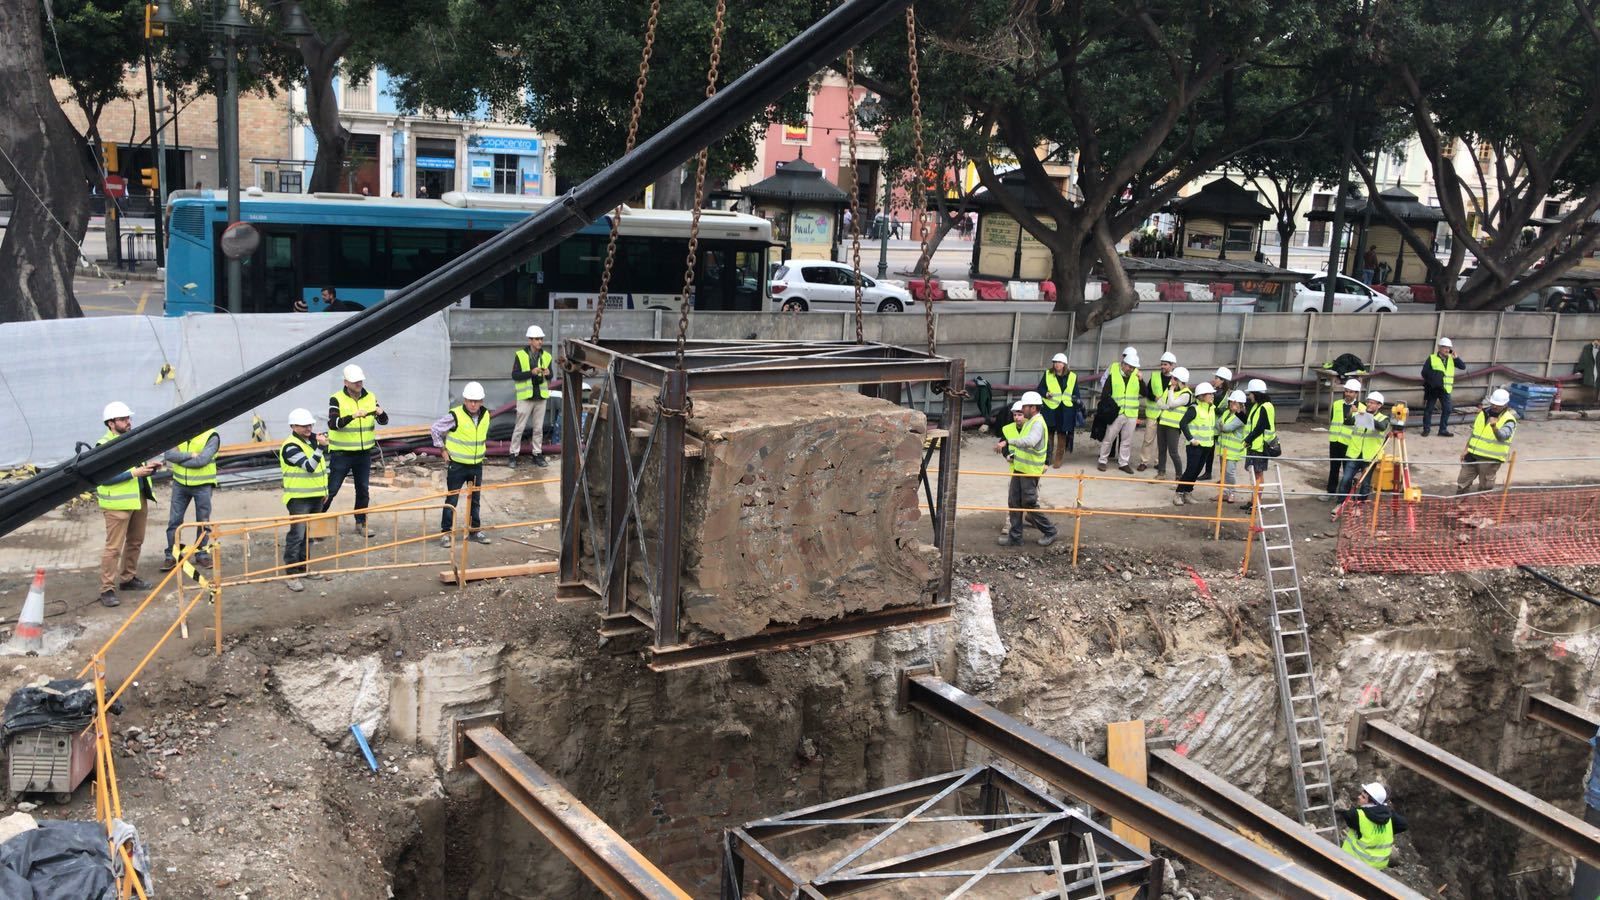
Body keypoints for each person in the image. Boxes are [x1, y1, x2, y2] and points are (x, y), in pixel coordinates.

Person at [94, 402, 159, 608]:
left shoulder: (131, 439)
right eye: (123, 419)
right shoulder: (104, 445)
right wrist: (134, 473)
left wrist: (148, 469)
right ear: (111, 423)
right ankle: (107, 589)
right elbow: (103, 477)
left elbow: (136, 468)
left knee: (135, 541)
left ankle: (128, 579)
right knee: (113, 549)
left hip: (138, 498)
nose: (129, 422)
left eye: (129, 418)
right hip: (117, 505)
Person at [323, 364, 387, 536]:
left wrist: (381, 413)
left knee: (363, 490)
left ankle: (361, 523)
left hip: (363, 454)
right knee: (332, 489)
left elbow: (384, 420)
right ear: (346, 382)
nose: (358, 384)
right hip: (341, 454)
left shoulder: (370, 397)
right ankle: (314, 524)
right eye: (354, 381)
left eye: (360, 380)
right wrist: (352, 416)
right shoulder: (336, 399)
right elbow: (333, 424)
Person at [432, 382, 494, 546]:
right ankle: (446, 533)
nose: (473, 404)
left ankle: (474, 530)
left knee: (475, 499)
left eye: (477, 401)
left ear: (481, 401)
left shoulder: (486, 415)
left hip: (476, 465)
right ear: (465, 400)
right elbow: (435, 429)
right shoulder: (455, 415)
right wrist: (443, 450)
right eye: (470, 400)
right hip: (457, 466)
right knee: (452, 499)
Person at [996, 394, 1057, 547]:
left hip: (1030, 471)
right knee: (1014, 501)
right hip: (1020, 468)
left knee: (1029, 503)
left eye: (1024, 407)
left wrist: (1008, 442)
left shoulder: (1037, 423)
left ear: (1033, 408)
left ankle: (1050, 531)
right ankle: (1015, 537)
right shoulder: (1030, 422)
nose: (1022, 410)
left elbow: (1030, 442)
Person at [278, 408, 328, 594]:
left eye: (310, 424)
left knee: (309, 535)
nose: (308, 428)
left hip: (315, 497)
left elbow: (322, 469)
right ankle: (291, 574)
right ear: (293, 426)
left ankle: (303, 568)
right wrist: (320, 447)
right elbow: (309, 467)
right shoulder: (291, 446)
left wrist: (324, 491)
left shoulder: (311, 440)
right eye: (303, 425)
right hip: (299, 499)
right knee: (297, 536)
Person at [161, 427, 219, 572]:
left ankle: (202, 554)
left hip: (203, 485)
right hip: (180, 484)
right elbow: (168, 454)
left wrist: (179, 458)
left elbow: (202, 461)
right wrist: (190, 455)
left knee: (203, 522)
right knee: (174, 521)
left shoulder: (211, 436)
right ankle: (172, 555)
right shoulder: (177, 433)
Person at [1457, 388, 1518, 494]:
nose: (1495, 406)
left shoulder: (1509, 420)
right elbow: (1475, 433)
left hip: (1490, 459)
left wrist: (1494, 426)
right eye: (1493, 403)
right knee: (1462, 482)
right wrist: (1466, 448)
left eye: (1498, 405)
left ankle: (1483, 510)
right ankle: (1459, 506)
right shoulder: (1483, 413)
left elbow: (1503, 436)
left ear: (1505, 404)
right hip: (1472, 455)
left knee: (1484, 489)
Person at [1335, 392, 1391, 504]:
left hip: (1370, 456)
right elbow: (1348, 422)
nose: (1369, 405)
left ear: (1379, 405)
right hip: (1354, 453)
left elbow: (1381, 427)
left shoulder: (1383, 418)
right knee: (1346, 479)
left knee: (1365, 483)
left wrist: (1367, 417)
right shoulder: (1360, 414)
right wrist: (1350, 414)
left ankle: (1360, 504)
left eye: (1372, 403)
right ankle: (1341, 502)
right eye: (1368, 402)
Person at [509, 325, 553, 468]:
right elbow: (515, 375)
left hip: (540, 398)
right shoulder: (520, 355)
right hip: (525, 398)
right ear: (530, 340)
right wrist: (531, 372)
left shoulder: (546, 356)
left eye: (541, 339)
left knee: (538, 428)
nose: (540, 342)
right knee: (519, 428)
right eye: (537, 339)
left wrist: (548, 373)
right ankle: (513, 455)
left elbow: (551, 375)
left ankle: (537, 454)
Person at [1339, 782, 1407, 870]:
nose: (1359, 797)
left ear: (1372, 802)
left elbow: (1346, 813)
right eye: (1361, 795)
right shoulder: (1389, 817)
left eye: (1363, 797)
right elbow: (1404, 824)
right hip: (1378, 866)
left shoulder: (1357, 815)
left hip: (1356, 863)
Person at [1096, 348, 1142, 474]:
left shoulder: (1136, 376)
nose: (1131, 370)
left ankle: (1123, 463)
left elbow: (1145, 392)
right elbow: (1105, 394)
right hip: (1117, 413)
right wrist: (1111, 409)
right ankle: (1103, 460)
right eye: (1130, 367)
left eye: (1133, 367)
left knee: (1126, 441)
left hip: (1131, 414)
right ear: (1124, 364)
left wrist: (1141, 380)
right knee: (1109, 437)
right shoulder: (1113, 374)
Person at [1175, 382, 1216, 505]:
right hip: (1195, 446)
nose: (1213, 396)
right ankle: (1179, 493)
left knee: (1197, 470)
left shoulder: (1212, 408)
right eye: (1210, 394)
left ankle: (1188, 492)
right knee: (1190, 470)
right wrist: (1191, 439)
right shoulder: (1194, 409)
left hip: (1207, 446)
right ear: (1202, 396)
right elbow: (1183, 423)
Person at [1239, 379, 1277, 509]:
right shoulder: (1257, 406)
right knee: (1254, 474)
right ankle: (1253, 501)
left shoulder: (1266, 407)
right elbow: (1251, 425)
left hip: (1260, 447)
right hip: (1254, 446)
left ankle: (1257, 504)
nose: (1249, 397)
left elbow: (1260, 427)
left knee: (1258, 474)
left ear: (1256, 393)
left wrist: (1247, 440)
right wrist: (1238, 412)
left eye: (1250, 394)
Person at [1036, 352, 1080, 465]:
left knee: (1061, 434)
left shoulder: (1072, 376)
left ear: (1064, 364)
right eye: (1055, 362)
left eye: (1059, 362)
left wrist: (1076, 407)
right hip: (1050, 409)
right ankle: (1048, 458)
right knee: (1049, 433)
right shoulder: (1048, 374)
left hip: (1065, 410)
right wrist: (1046, 394)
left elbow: (1076, 394)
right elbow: (1040, 388)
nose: (1056, 364)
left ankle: (1058, 459)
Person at [1323, 379, 1361, 501]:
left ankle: (1345, 496)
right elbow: (1333, 419)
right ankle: (1331, 491)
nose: (1348, 394)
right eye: (1346, 391)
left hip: (1349, 443)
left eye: (1351, 392)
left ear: (1356, 393)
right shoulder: (1337, 404)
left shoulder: (1361, 408)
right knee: (1333, 467)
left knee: (1347, 470)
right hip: (1335, 441)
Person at [1138, 351, 1176, 471]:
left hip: (1167, 415)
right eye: (1162, 364)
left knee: (1163, 441)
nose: (1163, 366)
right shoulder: (1154, 376)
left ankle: (1159, 462)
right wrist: (1154, 398)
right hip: (1153, 414)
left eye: (1165, 364)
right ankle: (1144, 461)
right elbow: (1147, 392)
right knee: (1148, 439)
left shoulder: (1176, 380)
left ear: (1172, 365)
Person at [1421, 337, 1466, 437]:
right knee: (1429, 409)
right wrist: (1435, 378)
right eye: (1445, 347)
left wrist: (1456, 358)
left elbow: (1463, 367)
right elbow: (1424, 372)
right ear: (1439, 348)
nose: (1447, 350)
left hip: (1445, 389)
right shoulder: (1432, 358)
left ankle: (1443, 430)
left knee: (1447, 409)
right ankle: (1426, 429)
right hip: (1433, 388)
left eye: (1449, 348)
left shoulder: (1451, 359)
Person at [1154, 366, 1192, 479]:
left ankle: (1179, 475)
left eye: (1174, 378)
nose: (1171, 380)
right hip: (1162, 423)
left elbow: (1171, 403)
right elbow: (1160, 402)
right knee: (1161, 449)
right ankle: (1161, 473)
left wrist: (1170, 391)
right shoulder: (1170, 389)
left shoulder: (1186, 394)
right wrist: (1167, 406)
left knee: (1173, 452)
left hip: (1174, 426)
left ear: (1179, 380)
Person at [1198, 367, 1233, 480]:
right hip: (1216, 426)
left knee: (1209, 451)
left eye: (1217, 378)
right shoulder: (1223, 392)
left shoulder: (1219, 394)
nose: (1215, 380)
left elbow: (1215, 408)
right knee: (1212, 451)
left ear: (1223, 380)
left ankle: (1209, 473)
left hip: (1215, 427)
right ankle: (1214, 474)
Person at [1216, 390, 1248, 502]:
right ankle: (1224, 493)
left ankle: (1232, 492)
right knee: (1223, 472)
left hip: (1233, 451)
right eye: (1231, 402)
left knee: (1229, 472)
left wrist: (1222, 426)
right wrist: (1222, 426)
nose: (1231, 404)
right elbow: (1217, 423)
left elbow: (1226, 428)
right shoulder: (1226, 413)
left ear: (1240, 404)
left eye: (1235, 403)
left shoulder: (1242, 417)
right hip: (1223, 448)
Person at [1575, 337, 1600, 406]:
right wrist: (1578, 370)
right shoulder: (1588, 348)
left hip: (1596, 369)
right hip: (1592, 369)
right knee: (1594, 383)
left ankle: (1595, 400)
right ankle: (1593, 401)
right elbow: (1583, 359)